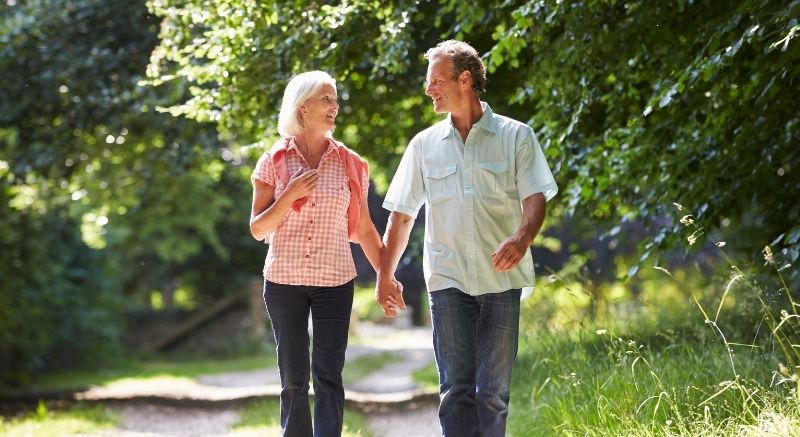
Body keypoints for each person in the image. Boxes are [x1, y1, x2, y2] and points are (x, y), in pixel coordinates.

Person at [375, 40, 558, 436]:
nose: (429, 90)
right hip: (448, 279)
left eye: (436, 80)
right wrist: (385, 273)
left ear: (464, 78)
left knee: (492, 394)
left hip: (501, 281)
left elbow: (535, 197)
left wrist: (523, 237)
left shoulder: (516, 136)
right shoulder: (423, 146)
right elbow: (403, 214)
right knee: (455, 391)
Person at [250, 70, 388, 437]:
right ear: (302, 106)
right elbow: (258, 227)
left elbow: (363, 229)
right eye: (326, 99)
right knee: (294, 378)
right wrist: (288, 196)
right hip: (284, 282)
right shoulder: (273, 161)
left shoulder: (350, 163)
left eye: (335, 100)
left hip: (335, 281)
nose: (334, 106)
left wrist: (386, 277)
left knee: (329, 375)